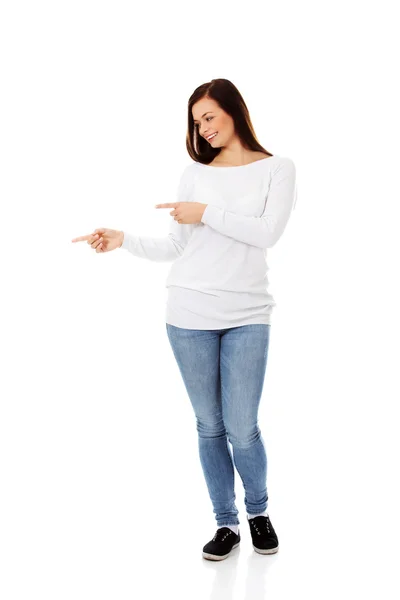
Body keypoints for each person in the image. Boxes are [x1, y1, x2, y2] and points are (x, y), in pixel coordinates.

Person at [71, 78, 297, 562]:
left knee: (243, 426)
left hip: (249, 314)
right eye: (197, 122)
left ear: (234, 111)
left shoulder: (278, 169)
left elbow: (267, 233)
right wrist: (124, 239)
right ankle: (226, 524)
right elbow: (177, 245)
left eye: (210, 117)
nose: (204, 129)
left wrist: (206, 212)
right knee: (210, 425)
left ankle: (258, 513)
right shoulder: (195, 173)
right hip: (188, 313)